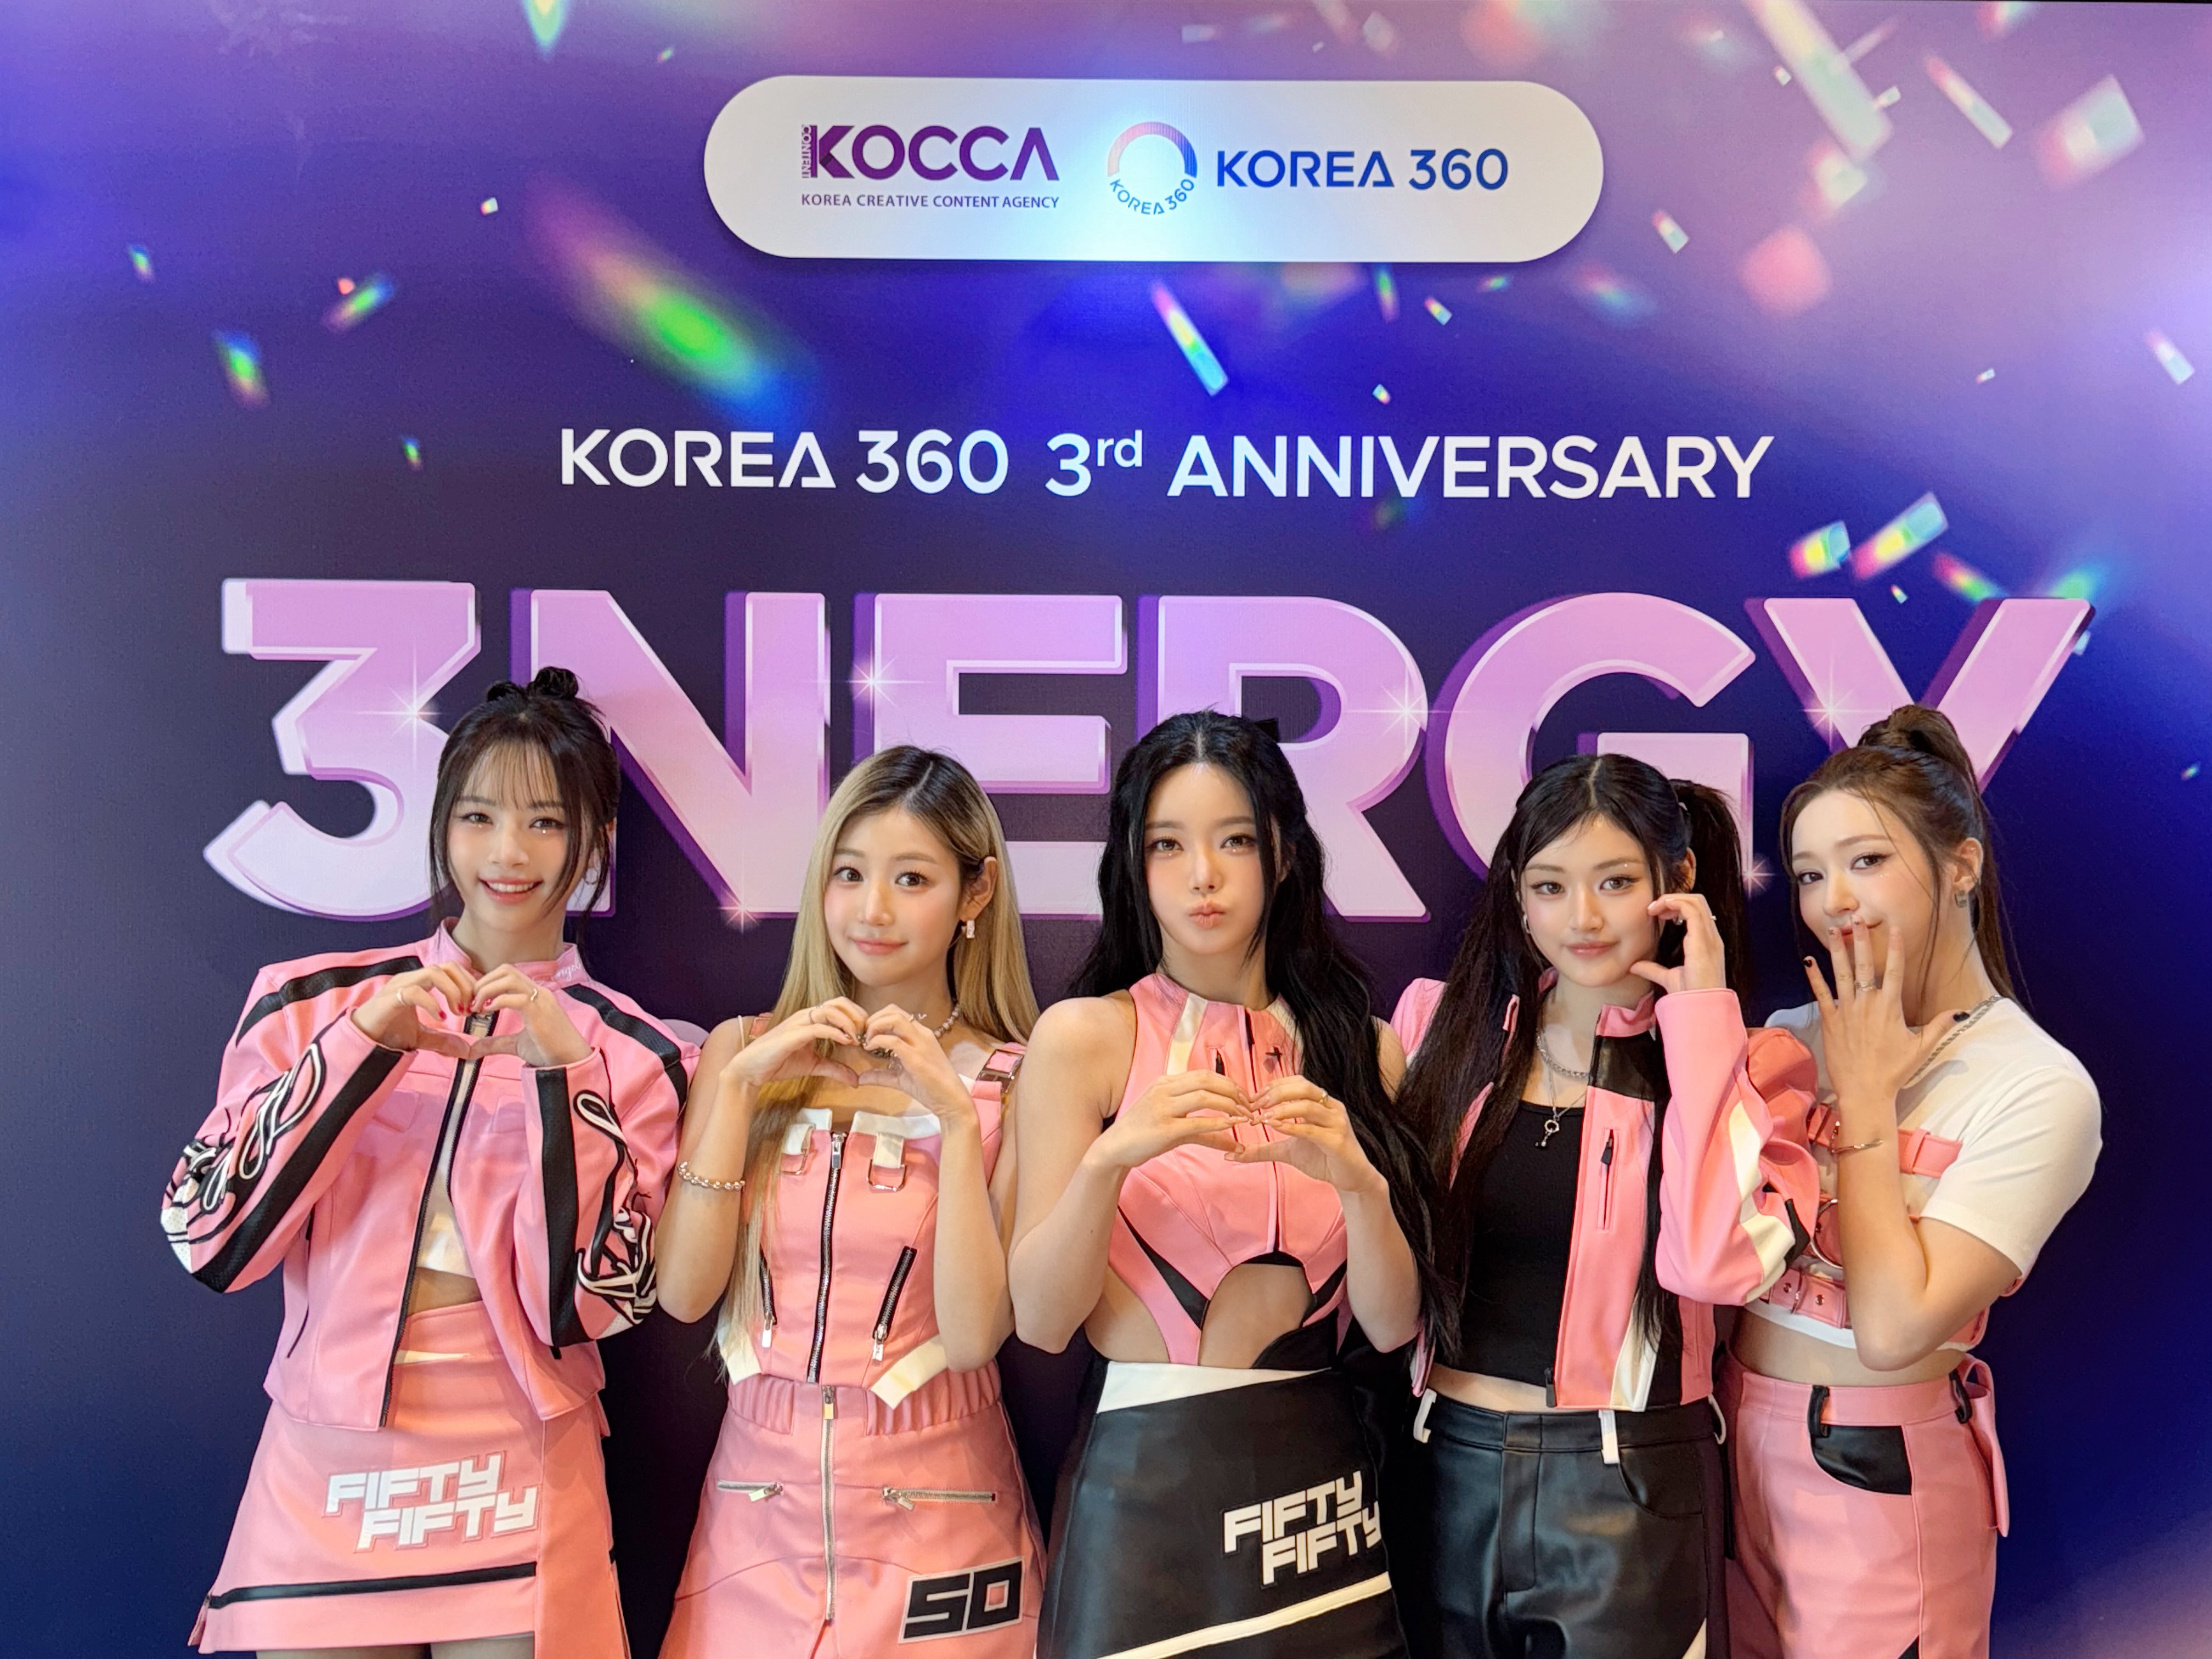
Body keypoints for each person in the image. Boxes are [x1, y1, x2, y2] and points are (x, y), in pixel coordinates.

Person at [165, 668, 691, 1659]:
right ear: (441, 825)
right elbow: (212, 1238)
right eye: (478, 816)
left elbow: (592, 1304)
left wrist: (562, 1078)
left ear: (596, 841)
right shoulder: (311, 1001)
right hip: (324, 1455)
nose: (508, 853)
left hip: (519, 1457)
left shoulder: (640, 1054)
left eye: (546, 821)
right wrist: (362, 1044)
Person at [1011, 711, 1431, 1659]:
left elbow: (1391, 1326)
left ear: (1283, 852)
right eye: (1168, 845)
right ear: (1133, 862)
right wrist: (1111, 1160)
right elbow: (1040, 1320)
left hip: (1317, 1483)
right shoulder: (1085, 1038)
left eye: (1233, 840)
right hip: (1146, 1486)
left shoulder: (1365, 1050)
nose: (1202, 875)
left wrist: (1364, 1187)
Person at [1388, 752, 1818, 1659]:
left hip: (1631, 1485)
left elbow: (1715, 1264)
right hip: (1442, 1469)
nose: (1581, 918)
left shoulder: (1756, 1067)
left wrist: (1700, 1022)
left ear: (1679, 878)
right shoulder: (1439, 1031)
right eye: (1550, 887)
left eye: (1615, 883)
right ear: (1518, 894)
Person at [1724, 706, 2100, 1659]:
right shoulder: (1786, 1036)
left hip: (1873, 1473)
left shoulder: (2037, 1086)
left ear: (1961, 865)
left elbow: (1894, 1329)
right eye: (1810, 874)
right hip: (1724, 1448)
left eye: (1866, 861)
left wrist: (1865, 1099)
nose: (1833, 900)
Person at [656, 747, 1042, 1657]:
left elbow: (976, 1335)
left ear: (976, 893)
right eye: (849, 874)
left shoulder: (1016, 1080)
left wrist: (956, 1122)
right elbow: (683, 1293)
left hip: (945, 1511)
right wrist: (739, 1091)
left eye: (912, 879)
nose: (872, 911)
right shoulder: (743, 1051)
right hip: (755, 1512)